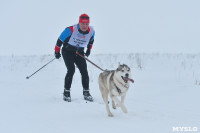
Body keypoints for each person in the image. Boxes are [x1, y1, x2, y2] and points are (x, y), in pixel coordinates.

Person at [54, 14, 95, 102]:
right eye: (82, 24)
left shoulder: (91, 31)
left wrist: (89, 50)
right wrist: (56, 51)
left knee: (84, 71)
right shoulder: (70, 30)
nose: (85, 26)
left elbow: (91, 41)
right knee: (71, 70)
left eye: (86, 24)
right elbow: (59, 41)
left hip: (79, 52)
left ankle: (86, 92)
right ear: (79, 23)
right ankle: (66, 92)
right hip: (67, 52)